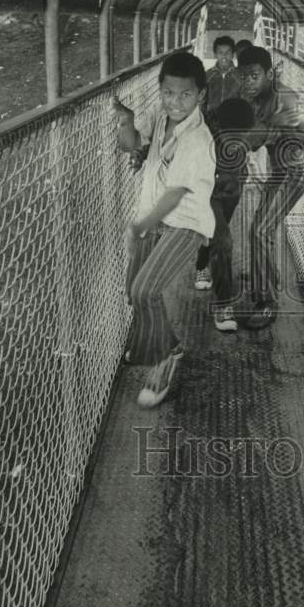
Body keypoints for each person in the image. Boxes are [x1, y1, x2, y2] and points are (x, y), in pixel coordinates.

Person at [112, 52, 216, 408]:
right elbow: (131, 144)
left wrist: (138, 226)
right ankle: (167, 344)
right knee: (132, 292)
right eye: (168, 93)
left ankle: (162, 363)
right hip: (154, 219)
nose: (175, 101)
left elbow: (174, 196)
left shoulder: (197, 139)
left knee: (145, 290)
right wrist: (126, 122)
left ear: (200, 95)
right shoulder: (160, 117)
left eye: (185, 94)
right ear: (161, 91)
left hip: (185, 224)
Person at [237, 45, 304, 329]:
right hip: (277, 173)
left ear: (268, 74)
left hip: (292, 174)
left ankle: (268, 303)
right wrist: (268, 124)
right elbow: (249, 141)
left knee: (260, 230)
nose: (248, 82)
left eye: (254, 75)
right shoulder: (251, 98)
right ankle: (267, 280)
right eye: (244, 76)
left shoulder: (285, 97)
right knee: (262, 230)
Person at [195, 97, 256, 332]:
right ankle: (223, 306)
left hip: (232, 189)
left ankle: (201, 263)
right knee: (224, 241)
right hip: (208, 191)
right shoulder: (202, 131)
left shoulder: (247, 130)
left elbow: (275, 134)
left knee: (216, 238)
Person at [194, 35, 243, 290]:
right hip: (210, 147)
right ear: (215, 54)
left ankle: (207, 257)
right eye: (220, 53)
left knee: (226, 211)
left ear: (233, 54)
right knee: (211, 214)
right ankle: (203, 265)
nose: (224, 57)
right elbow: (199, 108)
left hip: (233, 153)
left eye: (228, 53)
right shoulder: (207, 77)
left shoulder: (241, 79)